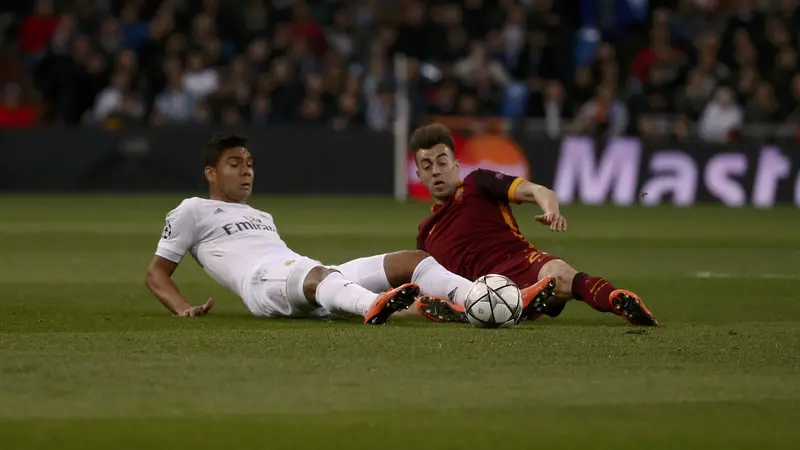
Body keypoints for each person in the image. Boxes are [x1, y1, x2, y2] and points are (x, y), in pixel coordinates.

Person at [145, 132, 497, 325]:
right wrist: (181, 307)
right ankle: (374, 305)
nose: (247, 171)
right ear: (210, 173)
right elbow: (156, 274)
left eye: (250, 164)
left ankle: (482, 300)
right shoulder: (193, 209)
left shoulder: (262, 216)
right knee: (316, 274)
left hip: (304, 274)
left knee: (412, 260)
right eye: (235, 164)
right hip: (262, 284)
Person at [410, 123, 658, 326]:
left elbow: (536, 190)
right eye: (427, 166)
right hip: (479, 291)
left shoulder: (478, 183)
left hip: (520, 261)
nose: (436, 172)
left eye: (442, 162)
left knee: (559, 273)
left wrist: (551, 210)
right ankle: (502, 305)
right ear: (419, 176)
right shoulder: (426, 233)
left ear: (456, 165)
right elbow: (428, 284)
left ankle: (616, 300)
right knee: (480, 298)